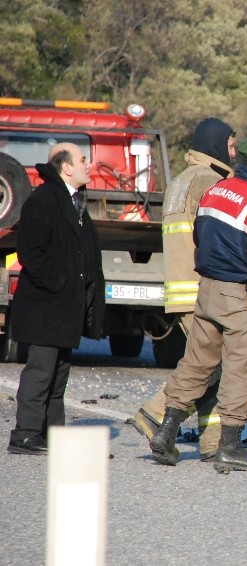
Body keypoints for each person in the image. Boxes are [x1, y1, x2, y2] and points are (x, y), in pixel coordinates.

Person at [148, 133, 247, 472]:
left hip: (207, 291)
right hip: (242, 297)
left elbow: (198, 237)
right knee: (242, 371)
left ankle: (166, 431)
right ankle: (230, 447)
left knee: (196, 364)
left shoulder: (215, 191)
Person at [129, 117, 236, 461]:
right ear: (217, 145)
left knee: (209, 364)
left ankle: (211, 442)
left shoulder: (182, 180)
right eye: (231, 145)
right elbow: (215, 237)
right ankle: (155, 415)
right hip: (201, 288)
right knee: (208, 365)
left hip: (181, 288)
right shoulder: (209, 182)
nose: (234, 152)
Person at [8, 143, 104, 455]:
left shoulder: (74, 201)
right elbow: (31, 253)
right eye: (83, 160)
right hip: (46, 305)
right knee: (41, 370)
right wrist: (60, 284)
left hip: (65, 307)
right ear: (66, 167)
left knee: (59, 372)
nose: (89, 165)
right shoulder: (44, 199)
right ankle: (25, 433)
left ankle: (52, 435)